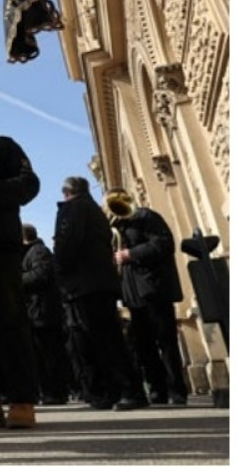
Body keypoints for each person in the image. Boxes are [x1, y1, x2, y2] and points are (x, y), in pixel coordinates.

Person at [52, 176, 148, 411]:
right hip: (100, 282)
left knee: (102, 340)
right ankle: (118, 391)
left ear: (66, 192)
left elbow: (67, 245)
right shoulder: (93, 209)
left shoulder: (73, 209)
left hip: (85, 284)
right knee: (108, 337)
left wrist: (60, 270)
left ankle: (127, 390)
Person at [0, 128, 41, 430]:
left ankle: (21, 400)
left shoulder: (3, 146)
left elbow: (29, 184)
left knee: (9, 320)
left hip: (0, 244)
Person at [105, 188, 189, 405]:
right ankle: (157, 389)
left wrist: (130, 254)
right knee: (144, 344)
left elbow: (164, 244)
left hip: (155, 288)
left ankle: (177, 390)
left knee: (166, 341)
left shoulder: (147, 217)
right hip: (133, 292)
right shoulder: (118, 226)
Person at [21, 224, 72, 405]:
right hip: (37, 312)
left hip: (43, 313)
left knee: (49, 355)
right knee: (42, 356)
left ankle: (55, 392)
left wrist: (16, 278)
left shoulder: (38, 251)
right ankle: (49, 391)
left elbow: (41, 274)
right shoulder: (33, 252)